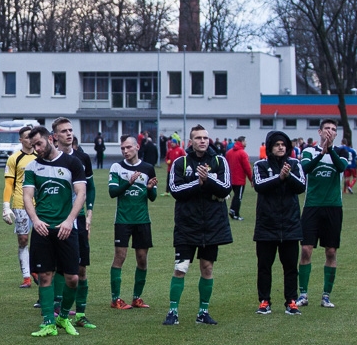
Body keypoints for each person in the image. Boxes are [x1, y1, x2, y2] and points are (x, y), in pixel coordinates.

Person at [164, 124, 232, 326]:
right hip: (187, 225)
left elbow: (226, 188)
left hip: (212, 225)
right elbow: (175, 189)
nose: (202, 141)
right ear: (191, 141)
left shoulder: (219, 161)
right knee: (181, 267)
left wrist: (208, 180)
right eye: (198, 138)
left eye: (205, 138)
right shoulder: (181, 162)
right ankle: (173, 312)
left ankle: (203, 312)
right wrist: (198, 182)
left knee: (207, 268)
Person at [24, 126, 86, 337]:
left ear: (50, 139)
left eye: (39, 144)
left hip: (66, 228)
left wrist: (69, 221)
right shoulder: (32, 167)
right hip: (43, 229)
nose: (37, 149)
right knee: (45, 276)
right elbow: (27, 196)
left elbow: (81, 193)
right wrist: (35, 220)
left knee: (72, 278)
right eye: (33, 146)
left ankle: (63, 317)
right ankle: (48, 322)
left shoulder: (72, 163)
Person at [252, 130, 306, 316]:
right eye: (277, 145)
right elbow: (259, 185)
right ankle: (264, 301)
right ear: (270, 147)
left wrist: (288, 176)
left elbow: (301, 187)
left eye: (283, 144)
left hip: (290, 225)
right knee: (264, 267)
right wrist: (280, 177)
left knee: (290, 267)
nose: (281, 147)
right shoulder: (260, 165)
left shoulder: (295, 164)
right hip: (266, 225)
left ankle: (291, 301)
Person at [297, 118, 348, 308]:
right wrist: (321, 153)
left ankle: (326, 295)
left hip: (333, 207)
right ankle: (303, 294)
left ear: (336, 134)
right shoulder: (308, 151)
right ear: (319, 132)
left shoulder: (341, 151)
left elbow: (341, 167)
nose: (330, 131)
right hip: (312, 206)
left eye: (333, 129)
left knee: (331, 251)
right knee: (305, 249)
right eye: (326, 128)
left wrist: (330, 149)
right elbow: (305, 169)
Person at [53, 120, 96, 328]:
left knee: (81, 267)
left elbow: (91, 187)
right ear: (55, 136)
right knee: (58, 267)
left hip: (78, 219)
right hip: (57, 219)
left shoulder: (82, 158)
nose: (69, 134)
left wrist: (89, 214)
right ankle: (57, 310)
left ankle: (80, 315)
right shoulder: (50, 158)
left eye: (70, 130)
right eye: (64, 131)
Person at [108, 135, 157, 310]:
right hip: (123, 220)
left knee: (142, 259)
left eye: (128, 147)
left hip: (142, 220)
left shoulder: (148, 168)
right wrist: (129, 182)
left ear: (137, 147)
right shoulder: (117, 167)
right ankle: (115, 299)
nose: (125, 151)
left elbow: (153, 197)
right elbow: (112, 192)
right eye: (122, 148)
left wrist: (149, 189)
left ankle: (137, 297)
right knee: (120, 256)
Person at [2, 125, 37, 288]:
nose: (30, 139)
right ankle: (26, 277)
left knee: (42, 240)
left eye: (32, 136)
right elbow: (9, 184)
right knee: (23, 239)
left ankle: (37, 269)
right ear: (21, 139)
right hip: (20, 203)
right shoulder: (14, 158)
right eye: (27, 137)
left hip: (40, 205)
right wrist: (6, 207)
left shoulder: (41, 156)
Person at [225, 136, 252, 221]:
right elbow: (247, 168)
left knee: (235, 196)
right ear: (242, 142)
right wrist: (252, 179)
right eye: (245, 141)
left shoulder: (229, 152)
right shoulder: (242, 153)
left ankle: (232, 210)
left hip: (230, 179)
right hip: (239, 180)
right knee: (238, 197)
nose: (246, 143)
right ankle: (235, 213)